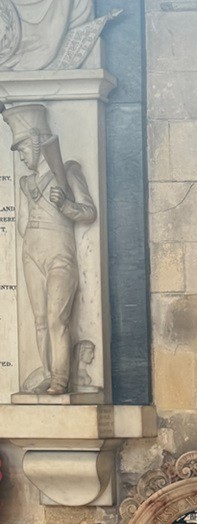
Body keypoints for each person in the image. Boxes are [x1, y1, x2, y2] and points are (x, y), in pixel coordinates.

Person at [2, 103, 96, 394]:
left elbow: (88, 212)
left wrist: (64, 204)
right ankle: (46, 373)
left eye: (23, 149)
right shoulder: (26, 182)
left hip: (59, 252)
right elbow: (22, 225)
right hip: (31, 250)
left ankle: (60, 378)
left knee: (57, 318)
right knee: (40, 320)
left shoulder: (67, 171)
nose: (21, 156)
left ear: (37, 142)